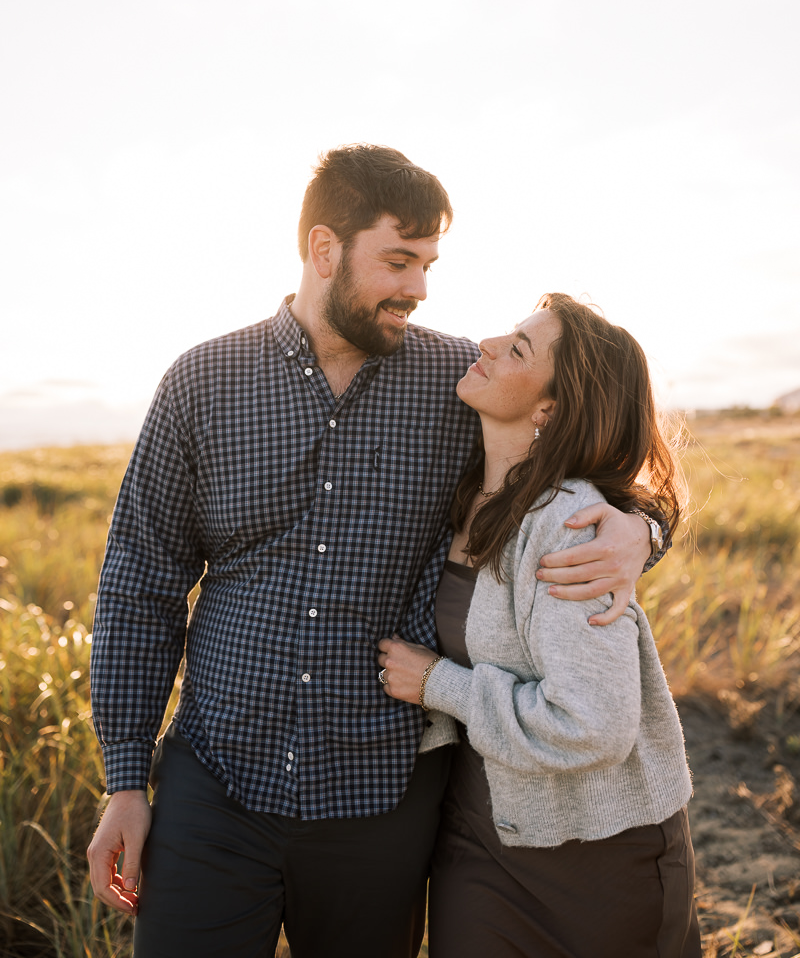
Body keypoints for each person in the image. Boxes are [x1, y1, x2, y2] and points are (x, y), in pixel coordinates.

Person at [88, 147, 664, 958]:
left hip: (383, 800)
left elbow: (586, 460)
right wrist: (124, 781)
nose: (419, 288)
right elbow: (140, 585)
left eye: (428, 264)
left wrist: (643, 528)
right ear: (324, 249)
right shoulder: (203, 382)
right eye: (398, 261)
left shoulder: (459, 381)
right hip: (214, 784)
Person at [378, 293, 700, 958]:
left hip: (598, 858)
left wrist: (439, 684)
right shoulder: (461, 487)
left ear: (549, 410)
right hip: (480, 837)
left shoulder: (568, 523)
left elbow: (593, 724)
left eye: (518, 348)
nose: (487, 344)